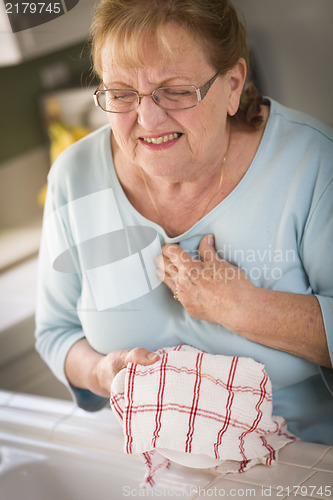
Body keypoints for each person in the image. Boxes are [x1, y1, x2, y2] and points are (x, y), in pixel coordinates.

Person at [35, 0, 333, 444]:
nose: (148, 120)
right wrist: (100, 372)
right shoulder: (74, 177)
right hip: (153, 464)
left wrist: (240, 308)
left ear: (233, 83)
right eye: (120, 94)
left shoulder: (310, 163)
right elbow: (56, 332)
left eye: (175, 90)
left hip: (301, 459)